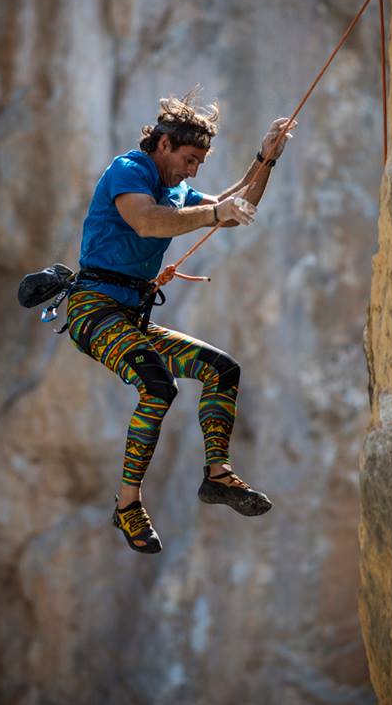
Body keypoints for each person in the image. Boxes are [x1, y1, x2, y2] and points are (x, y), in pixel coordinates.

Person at [67, 91, 294, 553]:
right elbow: (148, 222)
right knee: (158, 386)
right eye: (189, 159)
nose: (192, 171)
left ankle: (218, 476)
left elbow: (232, 207)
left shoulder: (177, 190)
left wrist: (265, 160)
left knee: (222, 369)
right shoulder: (129, 170)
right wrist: (214, 211)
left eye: (199, 164)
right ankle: (127, 504)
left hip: (129, 319)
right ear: (164, 144)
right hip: (94, 312)